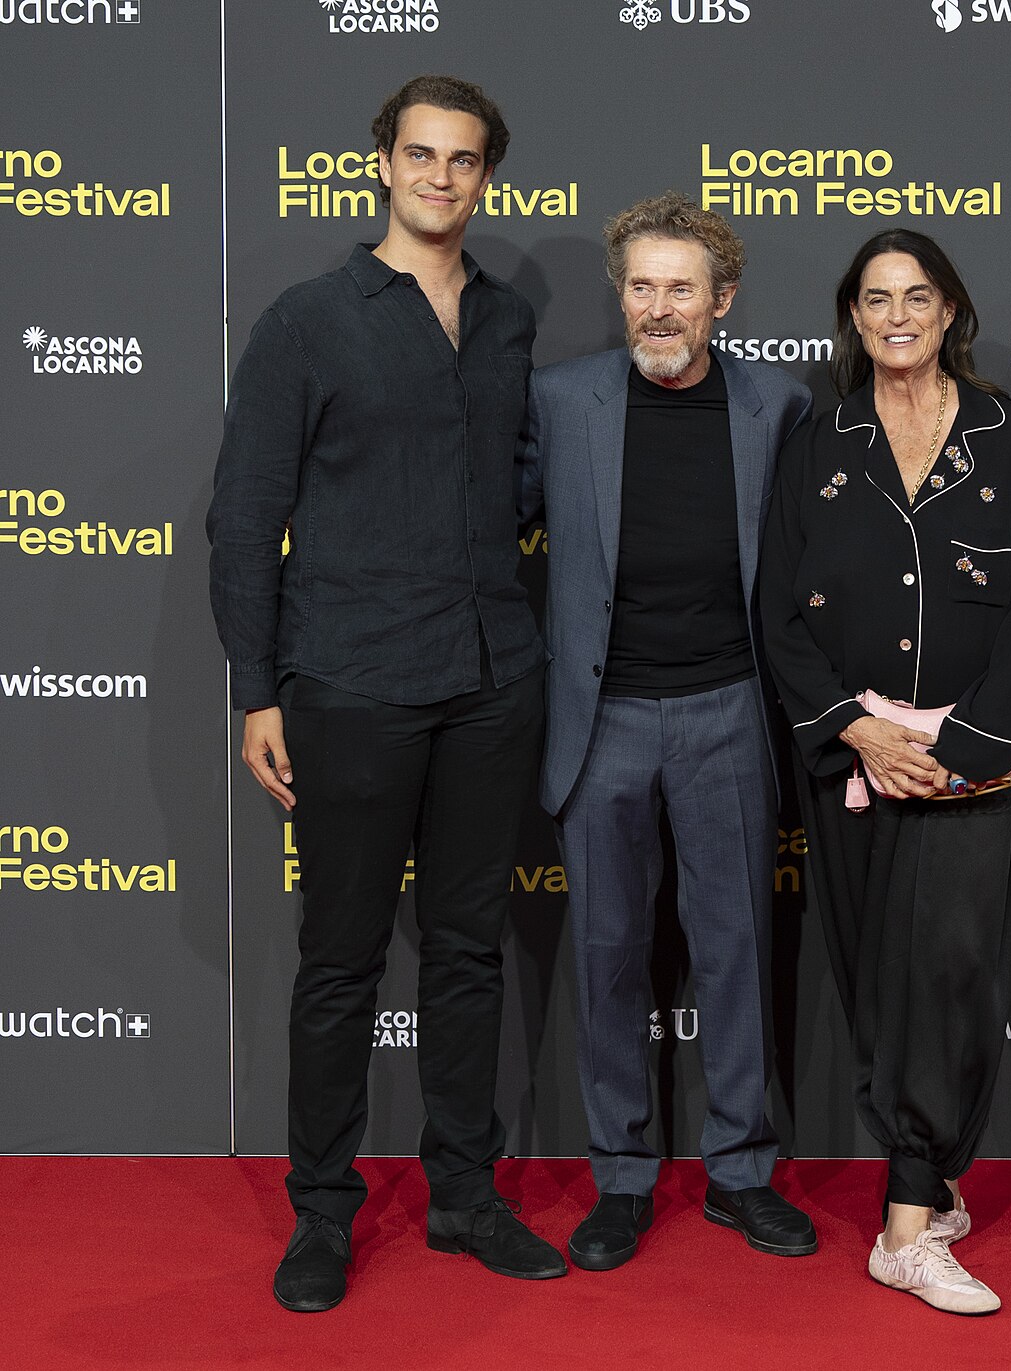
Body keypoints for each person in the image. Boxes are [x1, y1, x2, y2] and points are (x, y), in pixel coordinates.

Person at [208, 75, 564, 1313]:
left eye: (465, 160)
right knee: (342, 960)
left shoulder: (512, 322)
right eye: (421, 154)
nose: (440, 178)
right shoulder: (309, 319)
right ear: (381, 164)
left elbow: (520, 480)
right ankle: (321, 1216)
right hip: (349, 682)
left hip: (491, 681)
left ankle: (464, 1195)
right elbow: (246, 515)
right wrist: (260, 689)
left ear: (485, 178)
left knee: (469, 952)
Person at [760, 230, 1011, 1315]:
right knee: (875, 976)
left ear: (951, 313)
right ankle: (929, 1178)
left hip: (976, 762)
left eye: (918, 296)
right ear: (852, 317)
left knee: (952, 967)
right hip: (855, 760)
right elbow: (778, 611)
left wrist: (971, 747)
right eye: (876, 298)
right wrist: (854, 726)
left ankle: (903, 1226)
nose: (898, 315)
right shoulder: (817, 442)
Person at [517, 191, 816, 1270]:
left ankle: (741, 1172)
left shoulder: (777, 408)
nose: (657, 307)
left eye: (680, 288)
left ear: (721, 302)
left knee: (736, 950)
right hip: (597, 723)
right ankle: (622, 1179)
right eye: (640, 286)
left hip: (729, 710)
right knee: (606, 955)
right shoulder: (559, 402)